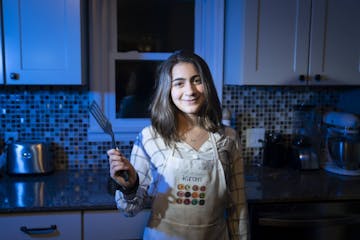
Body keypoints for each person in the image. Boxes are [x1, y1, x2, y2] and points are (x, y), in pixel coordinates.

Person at [107, 50, 249, 240]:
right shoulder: (150, 137)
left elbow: (238, 206)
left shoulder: (228, 138)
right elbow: (129, 209)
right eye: (179, 83)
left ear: (207, 85)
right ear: (168, 89)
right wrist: (130, 186)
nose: (190, 91)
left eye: (197, 80)